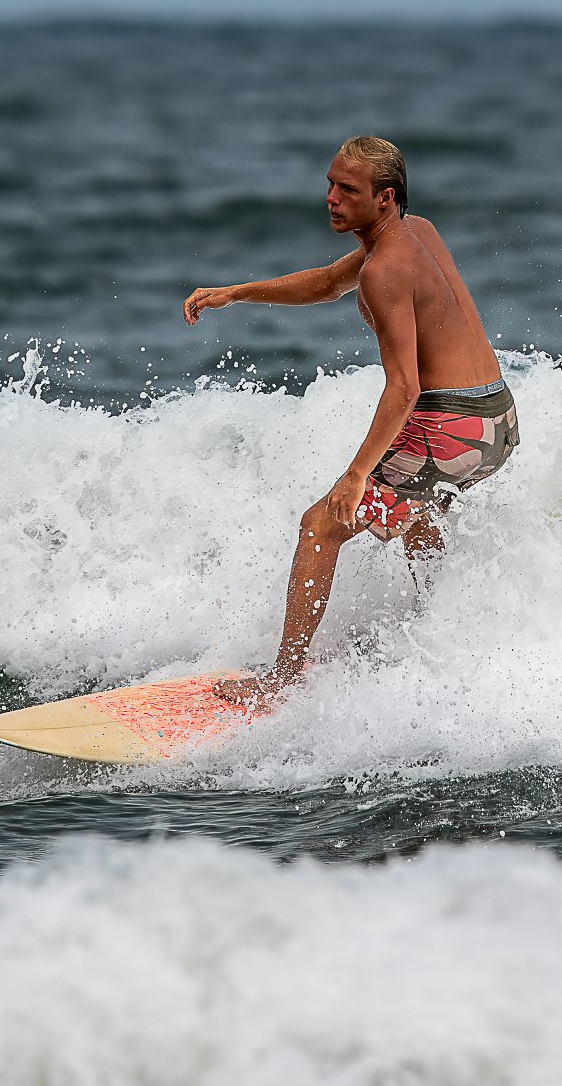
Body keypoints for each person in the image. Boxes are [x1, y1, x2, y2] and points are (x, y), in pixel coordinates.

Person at [183, 136, 518, 703]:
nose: (332, 198)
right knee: (417, 508)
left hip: (452, 426)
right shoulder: (417, 232)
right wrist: (235, 292)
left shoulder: (384, 270)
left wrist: (356, 473)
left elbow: (405, 386)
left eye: (348, 189)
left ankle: (282, 683)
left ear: (384, 197)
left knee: (322, 524)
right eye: (330, 185)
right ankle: (443, 629)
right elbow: (326, 283)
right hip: (495, 419)